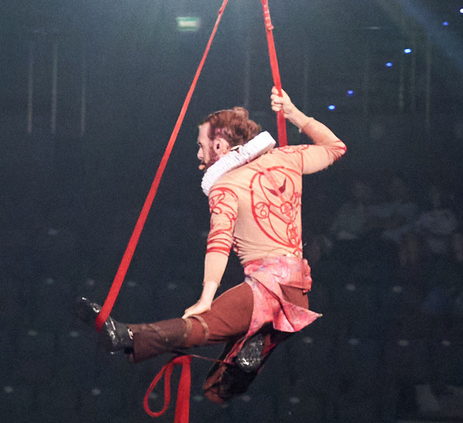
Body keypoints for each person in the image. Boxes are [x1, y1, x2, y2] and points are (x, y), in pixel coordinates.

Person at [84, 88, 347, 403]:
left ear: (220, 146)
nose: (198, 155)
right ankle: (252, 349)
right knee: (216, 389)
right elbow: (335, 147)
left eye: (200, 146)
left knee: (200, 327)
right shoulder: (287, 158)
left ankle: (127, 335)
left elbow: (219, 242)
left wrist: (206, 296)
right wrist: (294, 114)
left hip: (266, 287)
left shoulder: (226, 186)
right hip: (295, 290)